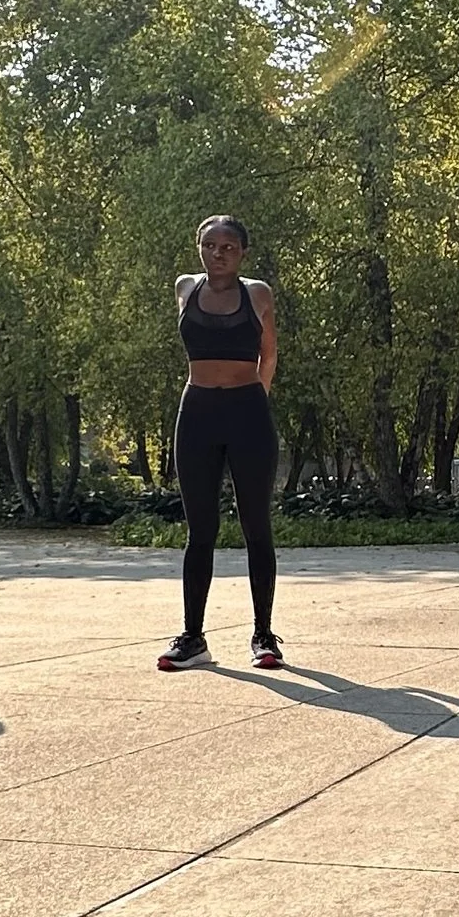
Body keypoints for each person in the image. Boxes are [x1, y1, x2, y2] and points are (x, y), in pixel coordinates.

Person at [160, 214, 282, 672]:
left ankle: (264, 636)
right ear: (199, 248)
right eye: (210, 245)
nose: (219, 253)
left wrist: (254, 400)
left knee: (256, 528)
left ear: (243, 252)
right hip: (197, 414)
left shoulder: (258, 294)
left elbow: (268, 353)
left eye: (228, 246)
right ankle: (193, 638)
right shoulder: (185, 288)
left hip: (247, 412)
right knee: (201, 532)